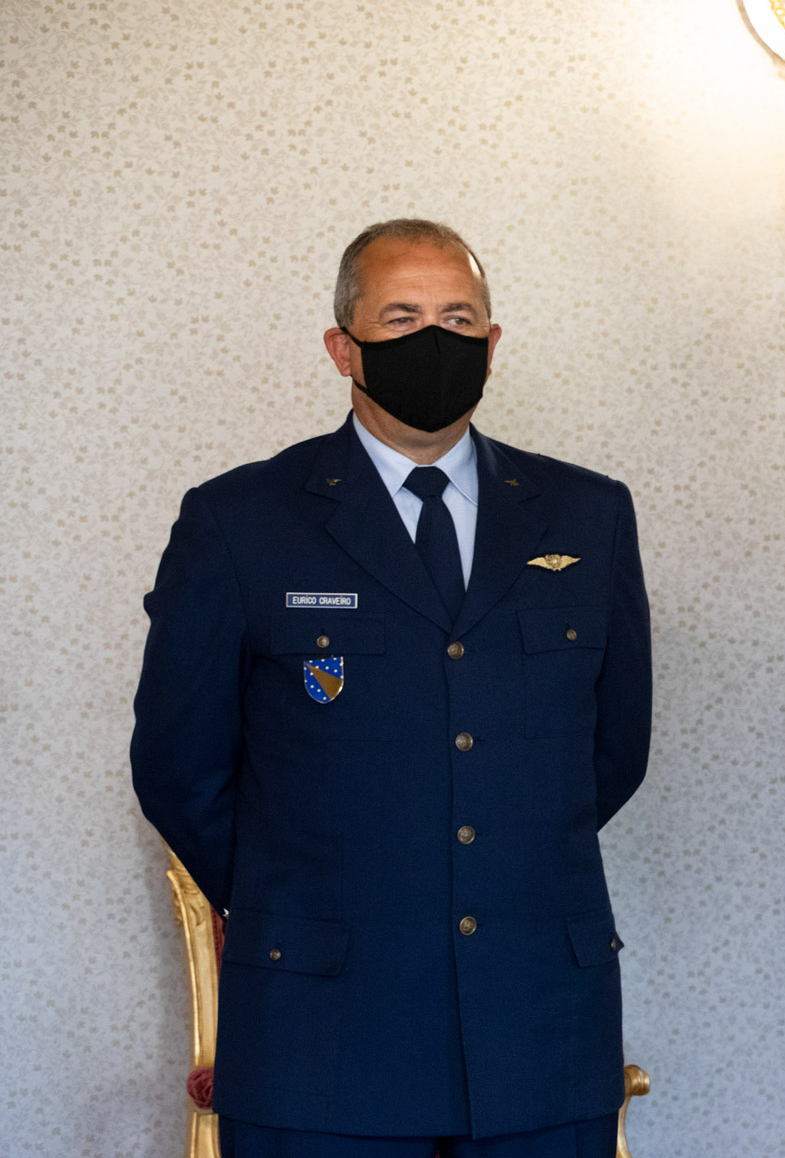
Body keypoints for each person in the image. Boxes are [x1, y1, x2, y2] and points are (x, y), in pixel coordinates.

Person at [131, 219, 653, 1157]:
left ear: (492, 343)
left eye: (459, 318)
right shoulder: (240, 521)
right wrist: (311, 894)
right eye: (402, 317)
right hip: (322, 1033)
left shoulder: (589, 514)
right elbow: (179, 765)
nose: (434, 339)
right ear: (344, 348)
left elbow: (614, 750)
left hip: (539, 1026)